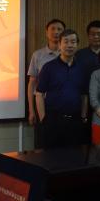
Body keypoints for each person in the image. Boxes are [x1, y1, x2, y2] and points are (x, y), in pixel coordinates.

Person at [35, 29, 89, 148]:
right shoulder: (49, 67)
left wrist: (83, 117)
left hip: (75, 121)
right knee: (52, 156)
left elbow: (84, 95)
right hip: (53, 120)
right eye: (66, 41)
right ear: (59, 45)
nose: (69, 45)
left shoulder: (82, 68)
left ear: (77, 45)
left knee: (74, 155)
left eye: (73, 42)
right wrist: (43, 119)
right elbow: (39, 94)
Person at [27, 19, 66, 147]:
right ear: (46, 32)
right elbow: (32, 84)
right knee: (43, 142)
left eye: (59, 29)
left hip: (62, 106)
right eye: (53, 29)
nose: (56, 32)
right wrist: (31, 110)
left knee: (63, 144)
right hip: (41, 104)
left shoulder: (69, 55)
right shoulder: (38, 55)